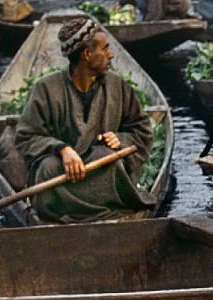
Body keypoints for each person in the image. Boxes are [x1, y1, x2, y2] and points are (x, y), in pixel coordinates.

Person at [14, 14, 154, 222]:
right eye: (105, 48)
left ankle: (89, 208)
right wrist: (61, 149)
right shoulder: (47, 88)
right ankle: (82, 209)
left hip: (100, 168)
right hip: (62, 173)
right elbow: (26, 136)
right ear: (87, 54)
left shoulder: (117, 87)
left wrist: (121, 139)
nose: (112, 54)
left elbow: (141, 130)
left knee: (107, 159)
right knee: (46, 169)